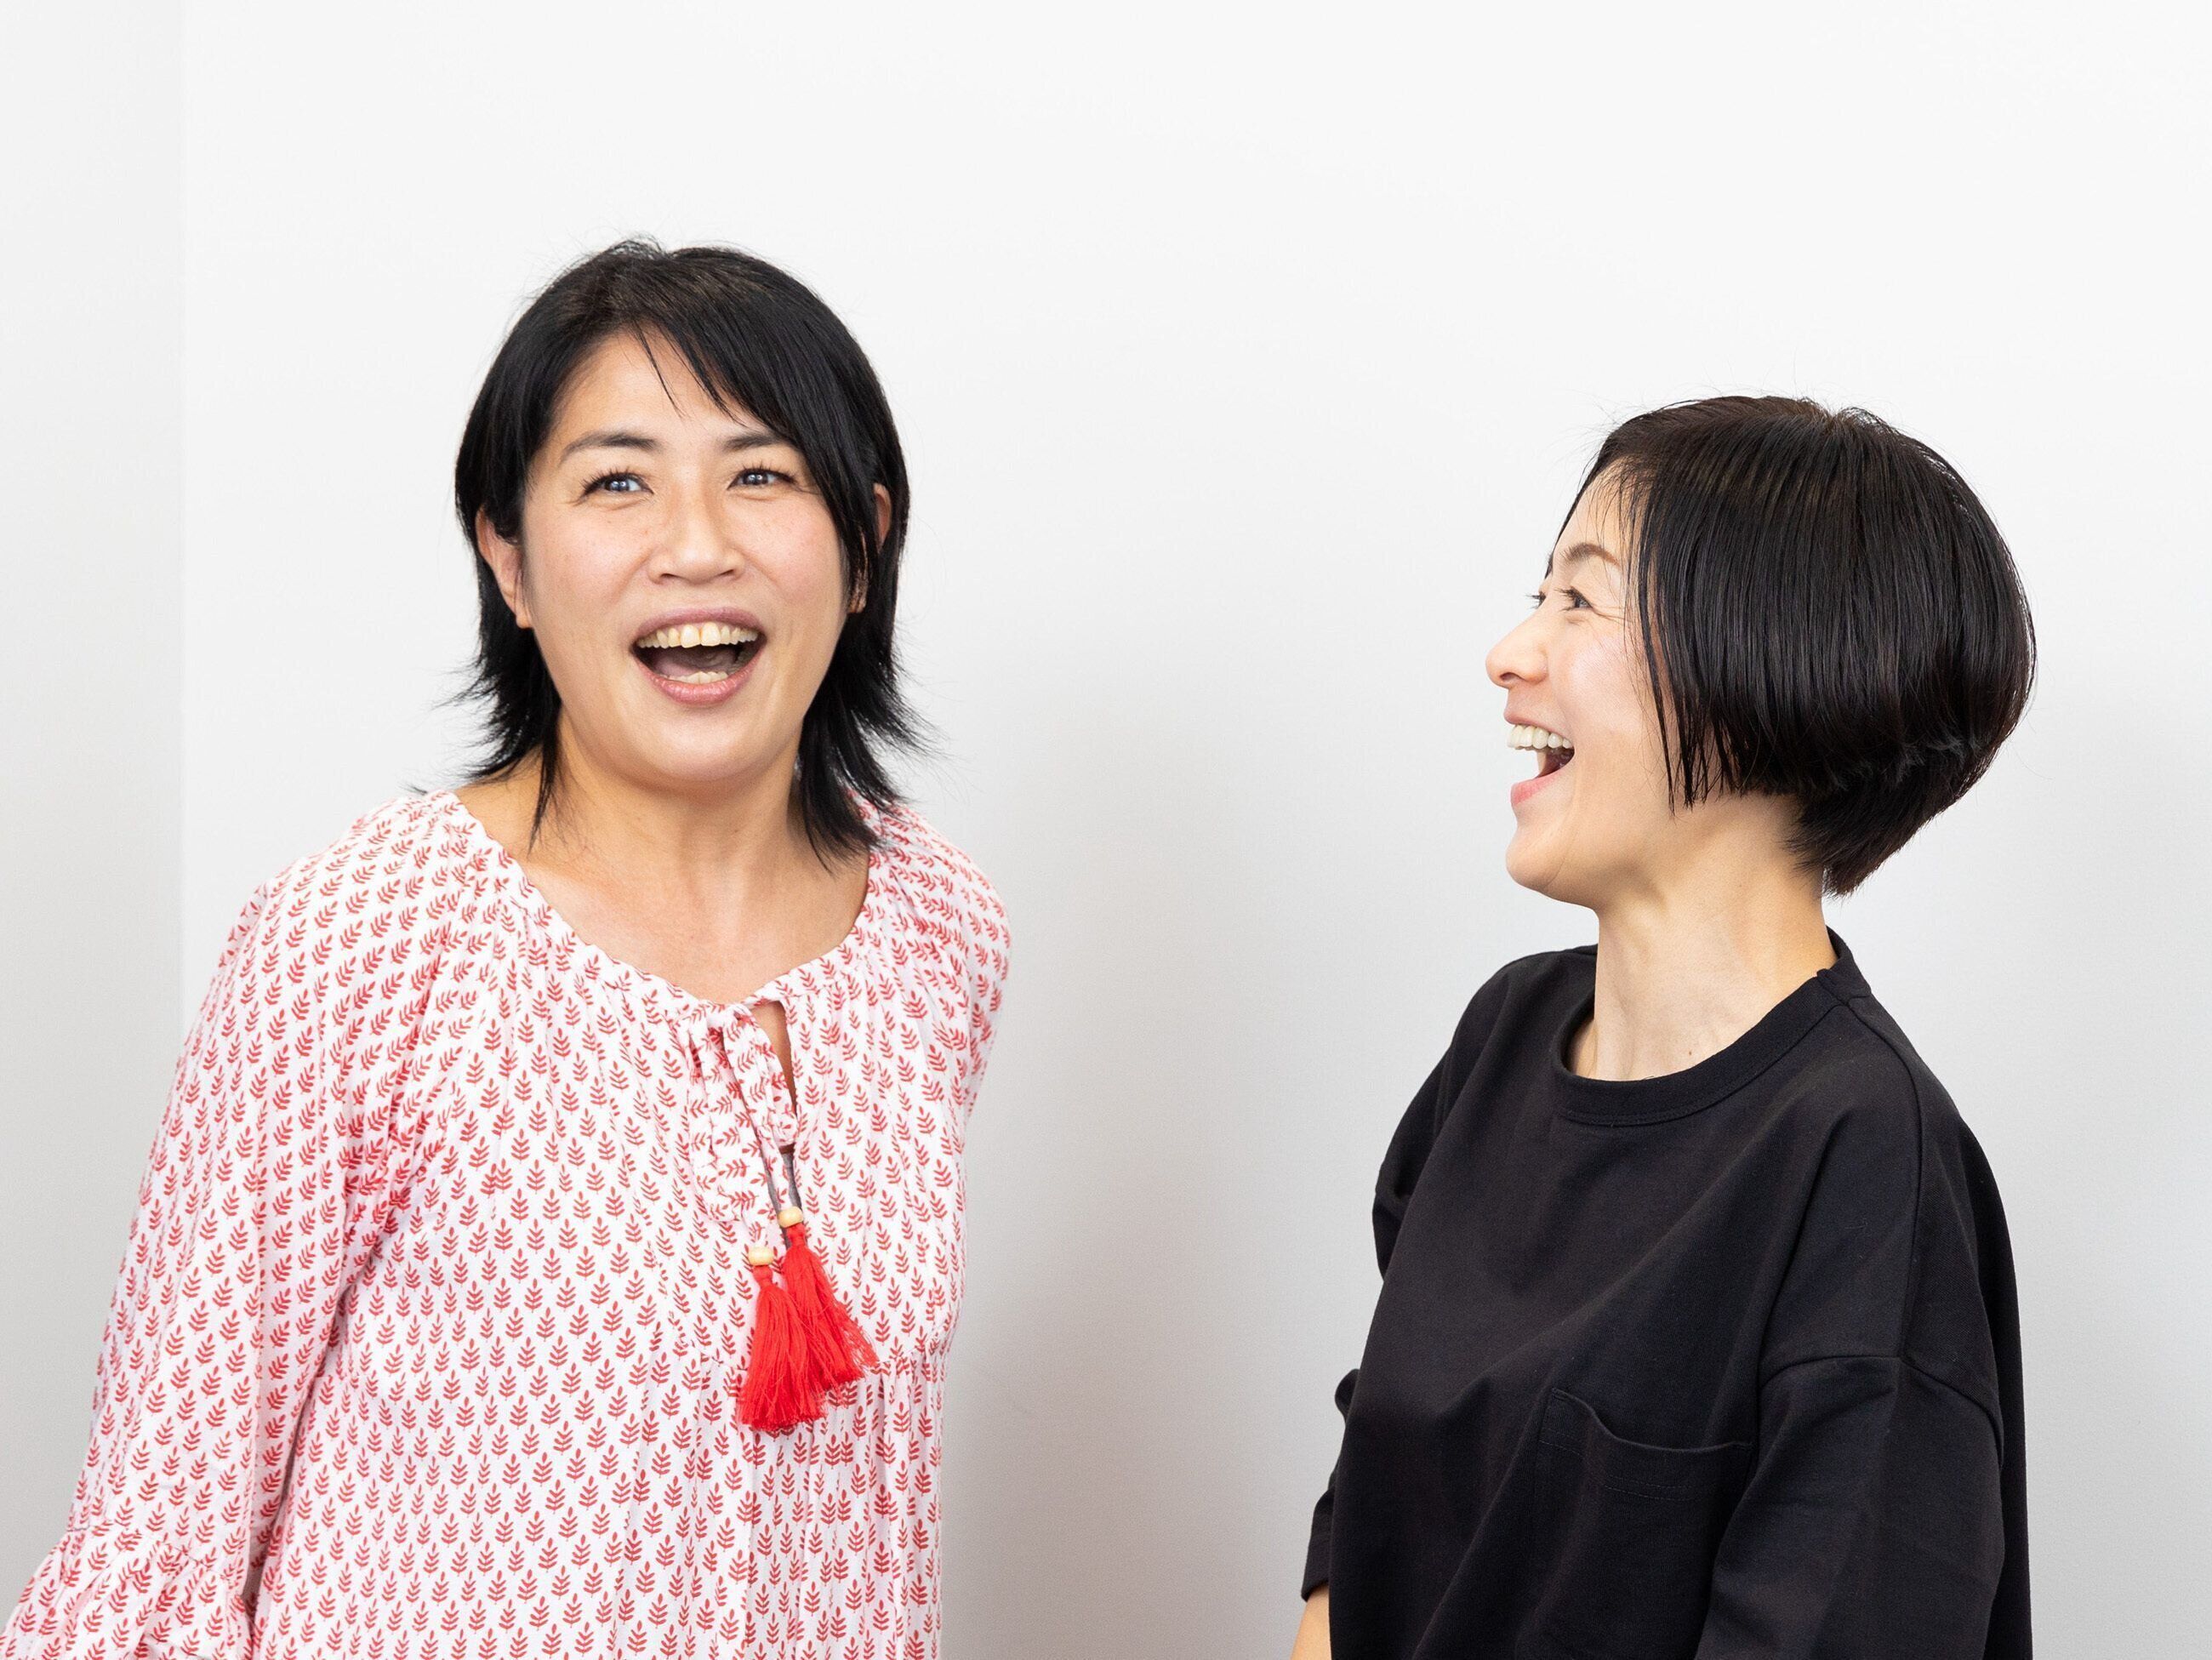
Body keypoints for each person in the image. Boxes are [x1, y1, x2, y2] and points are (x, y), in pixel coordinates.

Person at [3, 239, 1010, 1660]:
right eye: (618, 483)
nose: (697, 545)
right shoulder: (361, 940)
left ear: (864, 544)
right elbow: (156, 1540)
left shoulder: (936, 926)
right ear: (509, 558)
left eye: (763, 474)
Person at [1291, 396, 2034, 1660]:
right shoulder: (1504, 1040)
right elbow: (1366, 1518)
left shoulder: (1865, 1158)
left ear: (1771, 667)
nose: (1510, 653)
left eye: (1582, 600)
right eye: (1540, 594)